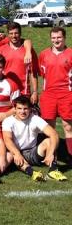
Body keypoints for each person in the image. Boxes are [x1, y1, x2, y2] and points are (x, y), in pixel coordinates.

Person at [2, 95, 67, 182]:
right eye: (19, 108)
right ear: (15, 109)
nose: (22, 111)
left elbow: (54, 134)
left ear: (30, 109)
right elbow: (7, 140)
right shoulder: (8, 121)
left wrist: (50, 153)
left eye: (25, 108)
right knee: (12, 154)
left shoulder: (35, 118)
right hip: (16, 152)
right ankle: (32, 173)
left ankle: (53, 170)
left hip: (32, 152)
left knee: (49, 141)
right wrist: (17, 153)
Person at [39, 26, 72, 160]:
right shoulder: (44, 54)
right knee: (50, 127)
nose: (56, 40)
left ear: (64, 38)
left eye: (59, 37)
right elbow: (42, 74)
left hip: (66, 94)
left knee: (67, 126)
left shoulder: (70, 53)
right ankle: (53, 158)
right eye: (53, 38)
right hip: (49, 95)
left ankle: (70, 157)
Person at [0, 22, 39, 102]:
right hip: (5, 90)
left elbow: (33, 73)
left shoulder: (28, 51)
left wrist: (35, 92)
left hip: (23, 91)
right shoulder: (1, 50)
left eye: (16, 33)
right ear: (8, 34)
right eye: (11, 33)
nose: (13, 36)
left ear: (20, 33)